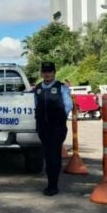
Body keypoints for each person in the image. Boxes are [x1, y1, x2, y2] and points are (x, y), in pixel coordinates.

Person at [34, 62, 72, 196]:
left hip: (57, 127)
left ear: (54, 72)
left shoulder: (61, 87)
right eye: (44, 71)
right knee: (47, 155)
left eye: (50, 71)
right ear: (41, 73)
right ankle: (50, 182)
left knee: (54, 156)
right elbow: (36, 105)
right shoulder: (38, 88)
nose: (47, 74)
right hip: (43, 127)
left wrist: (60, 118)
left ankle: (53, 185)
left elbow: (68, 105)